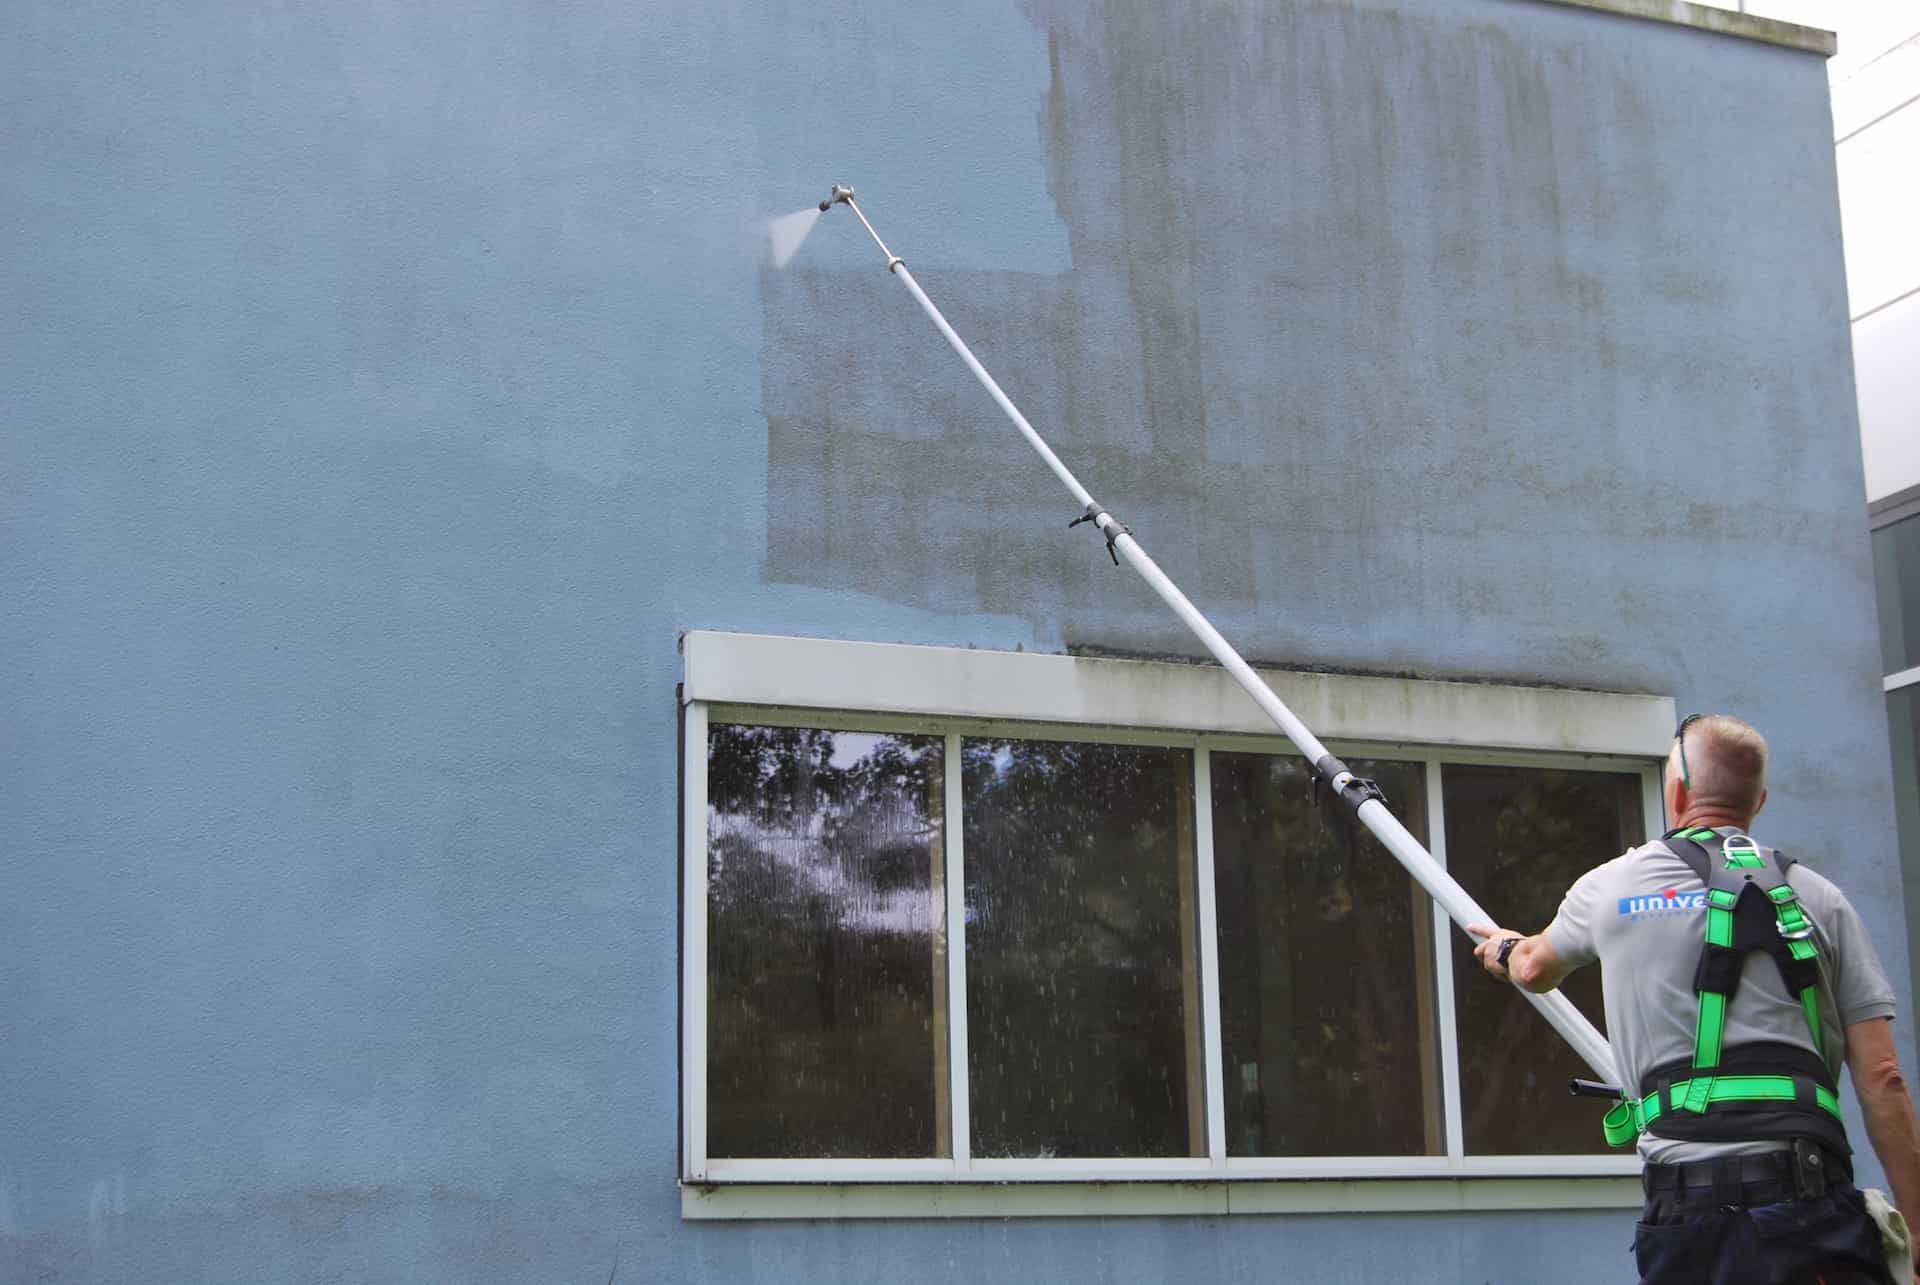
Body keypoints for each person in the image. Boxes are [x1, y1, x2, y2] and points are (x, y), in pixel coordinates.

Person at [1468, 713, 1920, 1285]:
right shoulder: (1821, 900)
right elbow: (1883, 1077)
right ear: (1759, 802)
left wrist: (1505, 948)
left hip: (1690, 1218)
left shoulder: (1613, 885)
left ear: (1677, 790)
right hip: (1810, 1208)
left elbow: (1534, 967)